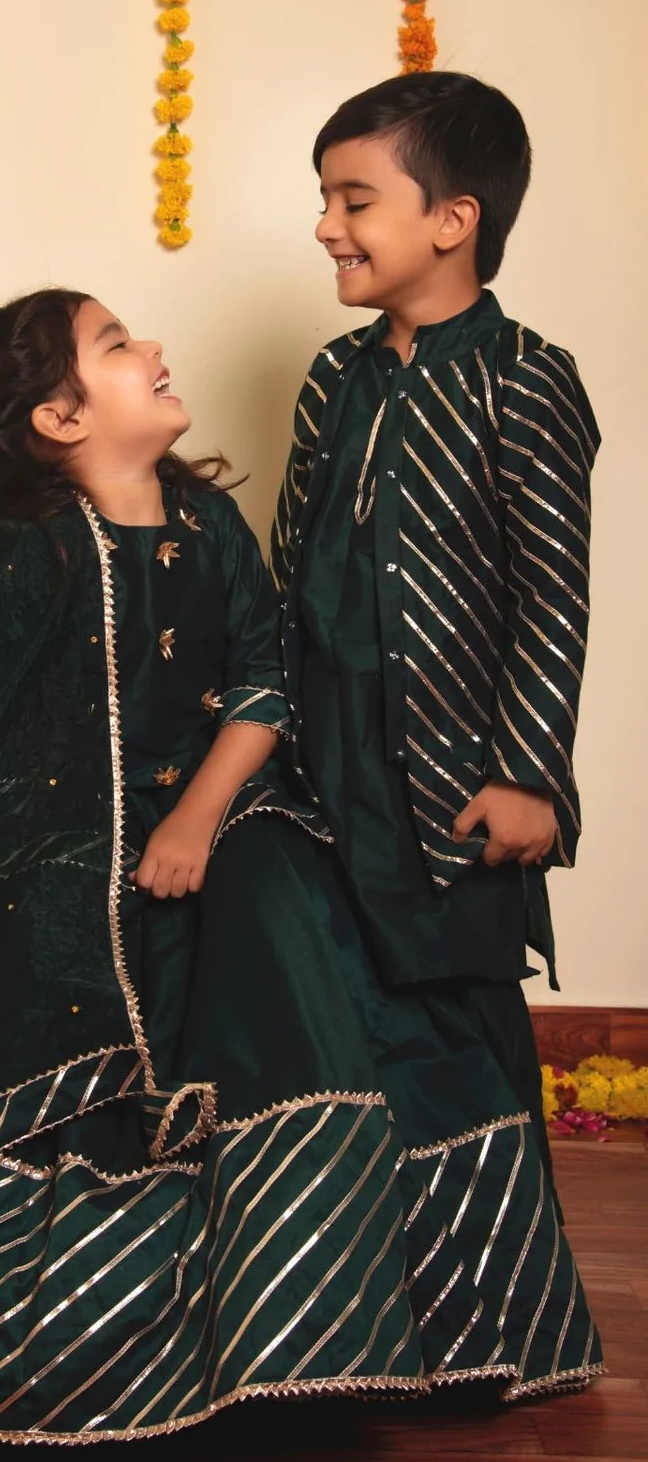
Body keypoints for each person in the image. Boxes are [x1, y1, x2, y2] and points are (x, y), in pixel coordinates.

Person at [0, 286, 599, 1447]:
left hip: (223, 822)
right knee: (23, 995)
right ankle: (87, 1333)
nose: (150, 346)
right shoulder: (33, 555)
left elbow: (264, 686)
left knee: (289, 948)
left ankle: (312, 1324)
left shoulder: (210, 523)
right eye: (114, 343)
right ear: (58, 417)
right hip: (66, 845)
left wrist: (193, 820)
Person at [272, 71, 599, 1208]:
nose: (327, 226)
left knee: (455, 1011)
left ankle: (497, 1274)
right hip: (316, 759)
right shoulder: (334, 378)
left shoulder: (525, 379)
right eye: (325, 199)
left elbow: (555, 594)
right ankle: (363, 1270)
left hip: (452, 771)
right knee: (334, 1010)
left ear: (453, 219)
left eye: (355, 200)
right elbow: (288, 570)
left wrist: (526, 774)